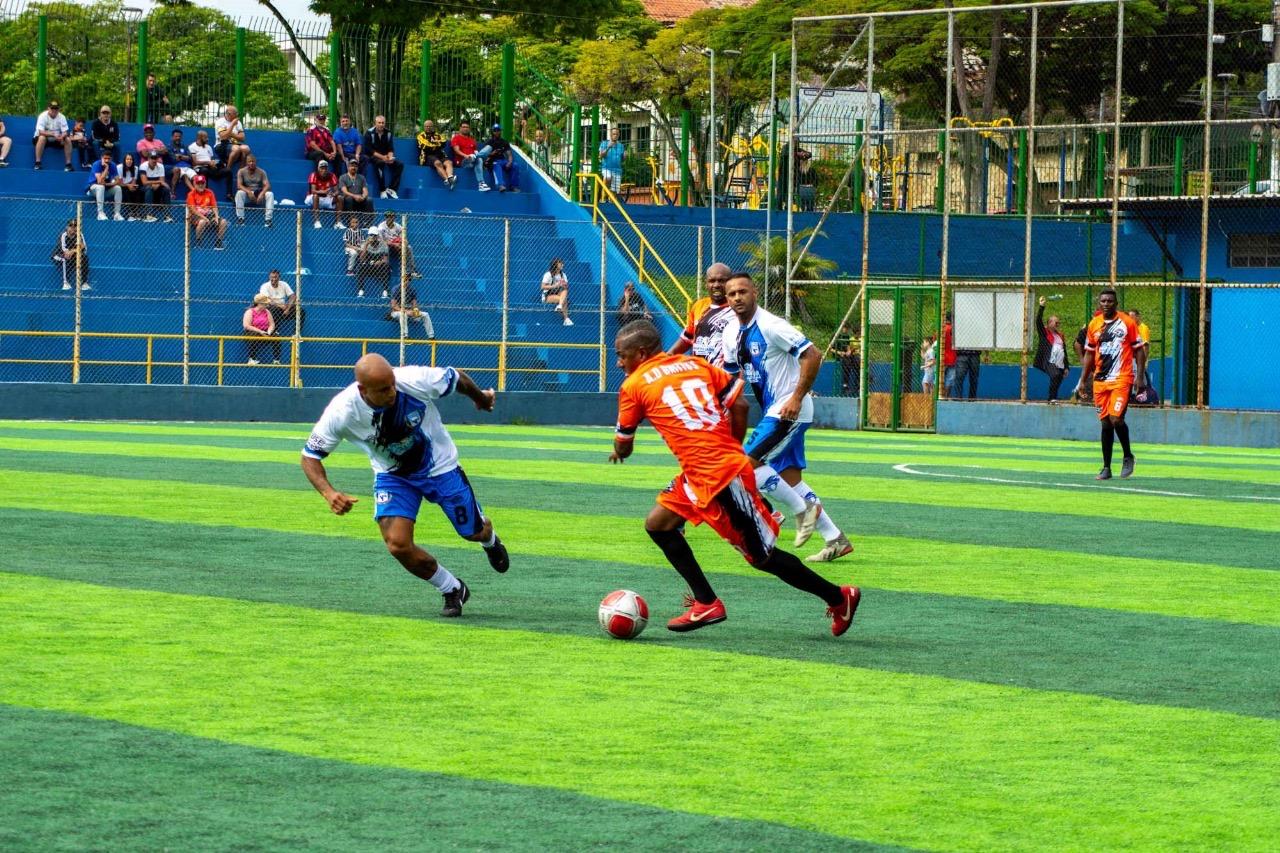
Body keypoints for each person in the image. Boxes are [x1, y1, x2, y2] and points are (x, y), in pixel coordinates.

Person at [609, 319, 860, 635]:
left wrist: (619, 450)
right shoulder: (695, 365)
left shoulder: (633, 386)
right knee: (658, 524)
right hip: (701, 473)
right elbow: (739, 405)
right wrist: (731, 447)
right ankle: (706, 602)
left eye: (621, 356)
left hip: (720, 477)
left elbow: (624, 444)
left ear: (642, 353)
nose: (619, 363)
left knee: (763, 558)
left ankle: (839, 597)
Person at [300, 353, 510, 618]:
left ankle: (489, 539)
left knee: (473, 532)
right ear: (363, 390)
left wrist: (481, 398)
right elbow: (309, 456)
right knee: (397, 544)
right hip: (393, 475)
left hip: (440, 466)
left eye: (392, 384)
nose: (392, 392)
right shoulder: (341, 412)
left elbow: (456, 377)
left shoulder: (412, 379)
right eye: (383, 389)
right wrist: (328, 492)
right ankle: (452, 588)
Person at [722, 272, 853, 563]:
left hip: (789, 410)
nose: (737, 297)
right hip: (774, 411)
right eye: (732, 294)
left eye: (743, 291)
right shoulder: (730, 332)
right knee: (789, 479)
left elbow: (812, 354)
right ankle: (835, 539)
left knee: (745, 468)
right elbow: (730, 378)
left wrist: (796, 397)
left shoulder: (771, 326)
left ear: (755, 293)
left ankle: (802, 511)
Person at [1081, 288, 1146, 480]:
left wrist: (1140, 377)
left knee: (1116, 418)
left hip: (1122, 378)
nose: (1106, 304)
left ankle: (1128, 456)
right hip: (1100, 381)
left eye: (1110, 301)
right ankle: (1106, 467)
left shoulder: (1127, 322)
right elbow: (1089, 353)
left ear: (1116, 303)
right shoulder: (1094, 324)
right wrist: (1083, 380)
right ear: (1099, 303)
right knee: (1105, 423)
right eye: (1103, 301)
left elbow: (1139, 350)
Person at [669, 262, 735, 366]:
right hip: (699, 371)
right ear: (706, 284)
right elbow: (688, 338)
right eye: (712, 281)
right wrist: (668, 355)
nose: (716, 285)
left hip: (723, 373)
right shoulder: (699, 306)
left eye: (721, 281)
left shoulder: (737, 310)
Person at [1034, 296, 1070, 403]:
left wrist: (1066, 367)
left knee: (1058, 378)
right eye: (1056, 322)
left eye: (1058, 323)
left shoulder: (1060, 335)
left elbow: (1064, 351)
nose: (1058, 324)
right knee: (1055, 375)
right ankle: (1051, 398)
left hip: (1060, 362)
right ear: (1049, 323)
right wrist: (1041, 307)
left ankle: (1053, 398)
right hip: (1048, 361)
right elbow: (1038, 321)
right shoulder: (1044, 333)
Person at [364, 114, 404, 199]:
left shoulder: (388, 133)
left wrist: (390, 157)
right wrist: (383, 158)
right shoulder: (369, 132)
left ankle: (392, 189)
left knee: (400, 165)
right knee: (380, 163)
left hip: (385, 156)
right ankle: (382, 190)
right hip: (373, 156)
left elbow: (390, 148)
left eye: (383, 123)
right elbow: (369, 150)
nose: (381, 124)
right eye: (379, 122)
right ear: (375, 123)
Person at [371, 210, 420, 278]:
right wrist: (393, 244)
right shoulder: (381, 227)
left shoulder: (398, 227)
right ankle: (387, 267)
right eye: (387, 216)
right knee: (385, 247)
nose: (389, 218)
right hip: (386, 246)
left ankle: (411, 270)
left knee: (409, 247)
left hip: (397, 246)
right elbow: (381, 241)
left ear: (394, 217)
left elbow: (403, 238)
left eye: (391, 216)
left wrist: (404, 243)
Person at [258, 269, 302, 344]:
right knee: (275, 309)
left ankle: (296, 334)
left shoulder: (284, 284)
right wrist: (281, 306)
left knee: (301, 311)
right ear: (269, 277)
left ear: (279, 277)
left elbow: (293, 296)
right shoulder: (265, 286)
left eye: (275, 277)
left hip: (284, 309)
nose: (274, 279)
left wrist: (288, 308)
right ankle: (275, 331)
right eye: (272, 277)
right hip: (271, 309)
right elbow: (268, 300)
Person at [214, 105, 251, 194]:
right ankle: (228, 169)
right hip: (221, 145)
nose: (237, 115)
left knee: (246, 149)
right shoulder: (220, 122)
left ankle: (240, 172)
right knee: (236, 149)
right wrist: (232, 125)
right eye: (235, 114)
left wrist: (230, 134)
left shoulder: (238, 122)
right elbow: (223, 137)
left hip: (234, 144)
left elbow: (242, 138)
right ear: (229, 114)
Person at [186, 174, 227, 250]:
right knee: (202, 222)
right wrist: (204, 218)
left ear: (205, 184)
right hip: (196, 216)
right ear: (195, 184)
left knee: (223, 222)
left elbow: (214, 206)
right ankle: (198, 242)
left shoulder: (210, 192)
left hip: (209, 215)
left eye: (202, 183)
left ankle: (218, 243)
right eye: (198, 183)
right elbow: (193, 210)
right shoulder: (191, 194)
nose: (200, 185)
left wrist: (216, 216)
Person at [33, 100, 74, 171]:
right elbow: (40, 132)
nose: (54, 110)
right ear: (48, 108)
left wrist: (62, 137)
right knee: (42, 138)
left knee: (67, 139)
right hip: (42, 138)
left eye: (56, 108)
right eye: (52, 108)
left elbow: (65, 132)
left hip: (56, 139)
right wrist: (53, 134)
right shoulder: (42, 116)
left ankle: (68, 165)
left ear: (58, 109)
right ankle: (37, 163)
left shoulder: (62, 117)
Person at [234, 155, 275, 227]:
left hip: (258, 195)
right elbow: (239, 185)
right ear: (246, 162)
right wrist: (249, 192)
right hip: (248, 195)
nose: (251, 163)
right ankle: (240, 219)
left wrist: (261, 194)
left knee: (270, 194)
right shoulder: (241, 171)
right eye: (249, 161)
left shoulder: (262, 172)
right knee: (239, 193)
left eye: (253, 161)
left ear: (256, 162)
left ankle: (268, 220)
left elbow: (267, 185)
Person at [188, 129, 228, 199]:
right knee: (204, 170)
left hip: (209, 167)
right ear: (199, 138)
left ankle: (229, 194)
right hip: (199, 167)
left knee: (227, 170)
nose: (207, 139)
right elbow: (194, 162)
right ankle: (204, 193)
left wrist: (213, 163)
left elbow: (211, 159)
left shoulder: (208, 147)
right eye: (205, 137)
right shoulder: (192, 147)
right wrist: (208, 162)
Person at [86, 150, 124, 222]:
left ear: (111, 159)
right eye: (105, 158)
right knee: (101, 187)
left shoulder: (113, 165)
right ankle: (100, 213)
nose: (107, 160)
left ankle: (117, 214)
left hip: (105, 189)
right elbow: (99, 181)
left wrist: (107, 184)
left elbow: (117, 181)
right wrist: (106, 168)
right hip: (94, 189)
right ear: (101, 158)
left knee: (118, 188)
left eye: (108, 159)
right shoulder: (96, 164)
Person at [416, 119, 456, 189]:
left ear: (433, 127)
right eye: (426, 126)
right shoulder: (420, 136)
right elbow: (426, 146)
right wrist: (437, 143)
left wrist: (434, 143)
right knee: (438, 163)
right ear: (424, 127)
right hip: (427, 156)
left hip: (440, 154)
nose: (428, 128)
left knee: (449, 162)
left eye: (430, 126)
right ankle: (446, 180)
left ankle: (450, 177)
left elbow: (444, 142)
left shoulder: (438, 135)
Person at [51, 220, 90, 291]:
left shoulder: (79, 235)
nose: (73, 228)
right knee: (65, 258)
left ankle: (84, 283)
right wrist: (77, 249)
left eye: (75, 226)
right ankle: (65, 283)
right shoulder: (63, 235)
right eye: (70, 226)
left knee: (84, 257)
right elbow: (64, 250)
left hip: (73, 255)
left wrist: (73, 251)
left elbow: (84, 248)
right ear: (67, 227)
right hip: (58, 255)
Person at [450, 121, 487, 191]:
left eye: (467, 127)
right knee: (473, 158)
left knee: (479, 159)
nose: (465, 129)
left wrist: (478, 156)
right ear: (460, 128)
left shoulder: (472, 140)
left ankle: (481, 184)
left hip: (473, 161)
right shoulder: (456, 138)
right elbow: (456, 150)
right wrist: (466, 156)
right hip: (462, 162)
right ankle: (481, 183)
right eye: (463, 127)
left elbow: (476, 152)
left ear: (469, 129)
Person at [306, 160, 342, 229]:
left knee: (340, 198)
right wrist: (324, 191)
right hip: (313, 198)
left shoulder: (332, 175)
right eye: (322, 168)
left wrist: (334, 194)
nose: (324, 170)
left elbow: (337, 191)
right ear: (318, 168)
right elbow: (313, 191)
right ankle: (316, 221)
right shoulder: (313, 175)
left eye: (325, 168)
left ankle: (338, 222)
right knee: (315, 196)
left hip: (326, 198)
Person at [242, 294, 276, 365]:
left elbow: (272, 324)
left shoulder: (267, 311)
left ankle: (276, 360)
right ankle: (252, 359)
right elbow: (246, 326)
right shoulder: (250, 311)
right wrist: (260, 331)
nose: (267, 305)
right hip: (252, 331)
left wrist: (269, 332)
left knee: (276, 336)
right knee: (254, 335)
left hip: (265, 331)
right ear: (259, 304)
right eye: (265, 304)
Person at [357, 229, 392, 297]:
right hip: (369, 266)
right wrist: (366, 245)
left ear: (377, 236)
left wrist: (380, 262)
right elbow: (361, 259)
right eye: (371, 235)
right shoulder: (364, 244)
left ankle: (385, 290)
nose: (372, 237)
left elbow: (386, 260)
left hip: (379, 267)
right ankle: (361, 290)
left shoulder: (383, 245)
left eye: (374, 235)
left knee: (386, 266)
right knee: (360, 266)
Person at [483, 124, 518, 192]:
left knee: (515, 165)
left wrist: (510, 162)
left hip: (503, 160)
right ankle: (500, 185)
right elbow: (484, 154)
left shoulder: (504, 142)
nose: (497, 132)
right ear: (492, 132)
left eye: (498, 130)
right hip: (493, 161)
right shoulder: (489, 142)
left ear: (500, 131)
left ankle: (513, 186)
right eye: (495, 130)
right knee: (496, 164)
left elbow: (509, 154)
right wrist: (492, 153)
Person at [139, 149, 171, 222]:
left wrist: (158, 184)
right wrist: (158, 182)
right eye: (152, 158)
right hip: (143, 188)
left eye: (155, 158)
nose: (154, 160)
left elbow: (162, 181)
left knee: (165, 189)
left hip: (156, 186)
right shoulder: (143, 166)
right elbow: (144, 182)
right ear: (148, 158)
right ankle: (149, 215)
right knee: (149, 189)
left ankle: (167, 215)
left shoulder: (161, 166)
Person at [540, 258, 572, 326]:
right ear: (555, 265)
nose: (562, 265)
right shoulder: (548, 274)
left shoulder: (563, 275)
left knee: (565, 290)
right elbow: (542, 287)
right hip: (548, 295)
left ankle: (559, 306)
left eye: (562, 263)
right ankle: (566, 319)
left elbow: (566, 286)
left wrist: (563, 284)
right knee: (564, 300)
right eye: (560, 263)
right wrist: (554, 286)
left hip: (559, 293)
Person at [165, 129, 195, 196]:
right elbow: (174, 159)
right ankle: (173, 192)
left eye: (179, 136)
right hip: (176, 167)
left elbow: (190, 158)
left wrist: (180, 156)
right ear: (172, 137)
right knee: (185, 176)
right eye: (176, 136)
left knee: (195, 177)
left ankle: (199, 192)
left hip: (187, 167)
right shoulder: (169, 147)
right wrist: (185, 157)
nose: (178, 138)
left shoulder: (184, 146)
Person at [598, 126, 624, 194]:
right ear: (610, 134)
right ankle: (603, 194)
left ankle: (608, 196)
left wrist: (624, 156)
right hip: (606, 168)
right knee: (608, 177)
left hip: (617, 170)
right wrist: (608, 148)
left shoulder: (621, 146)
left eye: (617, 134)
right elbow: (601, 156)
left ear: (619, 135)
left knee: (615, 192)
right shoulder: (604, 143)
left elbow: (622, 160)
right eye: (614, 134)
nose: (615, 136)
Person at [118, 152, 143, 217]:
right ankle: (130, 212)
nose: (129, 161)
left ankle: (137, 212)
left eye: (131, 159)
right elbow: (120, 183)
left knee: (137, 190)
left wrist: (133, 186)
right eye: (127, 159)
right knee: (126, 191)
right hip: (121, 185)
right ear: (124, 160)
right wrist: (128, 186)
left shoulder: (135, 168)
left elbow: (134, 182)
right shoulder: (119, 167)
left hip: (129, 185)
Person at [343, 214, 364, 280]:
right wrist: (356, 248)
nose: (355, 224)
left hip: (358, 247)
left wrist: (361, 248)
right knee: (354, 253)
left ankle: (362, 268)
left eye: (356, 222)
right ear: (350, 223)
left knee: (364, 251)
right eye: (353, 222)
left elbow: (362, 242)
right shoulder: (348, 231)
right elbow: (346, 244)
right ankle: (349, 270)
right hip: (349, 248)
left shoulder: (360, 231)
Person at [940, 311, 956, 398]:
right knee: (950, 379)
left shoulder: (941, 329)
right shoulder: (954, 329)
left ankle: (938, 396)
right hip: (953, 358)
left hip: (942, 357)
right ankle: (946, 397)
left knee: (939, 378)